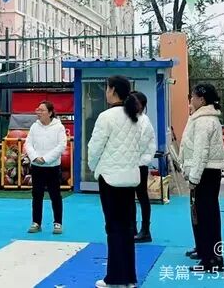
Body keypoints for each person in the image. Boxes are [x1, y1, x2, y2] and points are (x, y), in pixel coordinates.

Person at [87, 75, 147, 288]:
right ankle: (129, 278)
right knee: (127, 228)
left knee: (113, 228)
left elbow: (94, 148)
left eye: (107, 88)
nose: (106, 92)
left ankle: (114, 278)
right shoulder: (135, 117)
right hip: (130, 179)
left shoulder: (106, 117)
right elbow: (140, 147)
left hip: (110, 179)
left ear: (112, 90)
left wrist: (94, 167)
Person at [179, 83, 224, 273]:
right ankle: (204, 250)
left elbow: (201, 152)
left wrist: (194, 177)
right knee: (202, 213)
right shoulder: (200, 118)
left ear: (202, 100)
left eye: (193, 97)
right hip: (205, 172)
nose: (191, 99)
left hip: (205, 172)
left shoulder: (204, 121)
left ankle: (211, 259)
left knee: (206, 216)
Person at [24, 101, 67, 234]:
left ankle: (58, 223)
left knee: (55, 195)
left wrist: (46, 159)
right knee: (37, 195)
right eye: (38, 110)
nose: (39, 112)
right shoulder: (34, 127)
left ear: (50, 113)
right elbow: (28, 144)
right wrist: (35, 157)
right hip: (37, 166)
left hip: (53, 167)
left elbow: (61, 145)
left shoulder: (59, 127)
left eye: (42, 110)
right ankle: (36, 222)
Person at [132, 91, 156, 243]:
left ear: (141, 105)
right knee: (129, 197)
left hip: (140, 164)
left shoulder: (144, 121)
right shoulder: (129, 118)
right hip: (129, 164)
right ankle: (132, 227)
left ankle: (145, 229)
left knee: (141, 196)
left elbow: (141, 144)